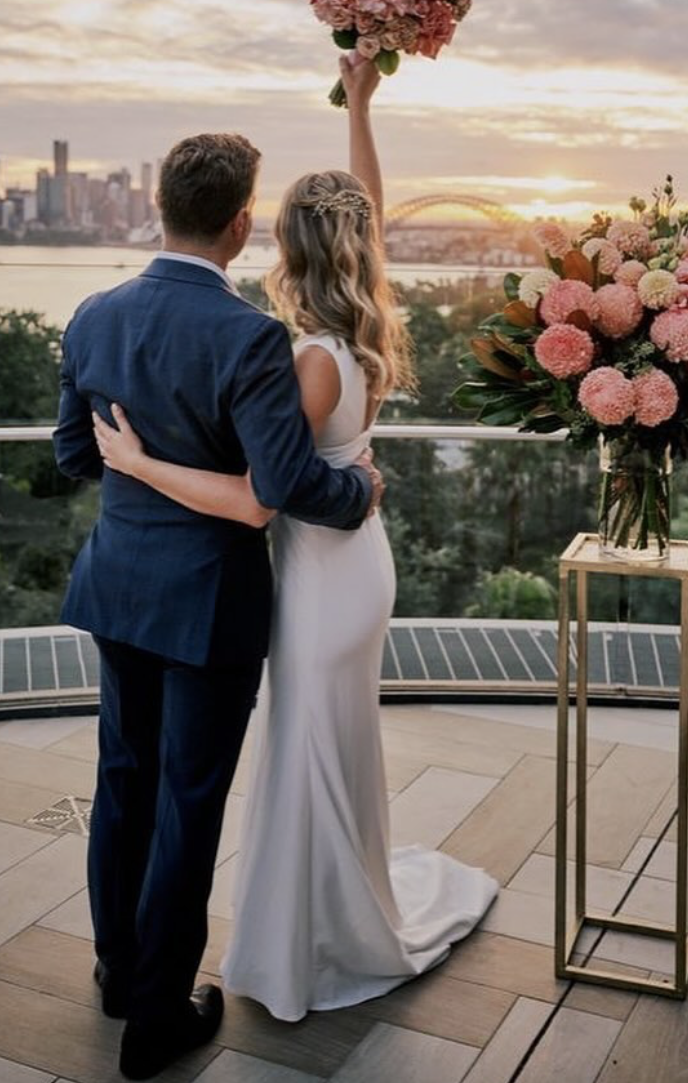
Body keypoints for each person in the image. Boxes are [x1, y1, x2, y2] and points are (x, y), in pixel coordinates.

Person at [93, 54, 499, 1024]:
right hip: (352, 564)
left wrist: (139, 461)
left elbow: (260, 495)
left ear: (273, 241)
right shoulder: (359, 327)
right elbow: (370, 209)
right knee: (320, 744)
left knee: (299, 750)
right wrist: (360, 105)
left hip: (321, 570)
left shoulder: (302, 355)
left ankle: (305, 945)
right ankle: (313, 914)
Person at [53, 118, 381, 1081]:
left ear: (161, 206)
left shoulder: (92, 313)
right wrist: (361, 488)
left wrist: (140, 465)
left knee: (125, 780)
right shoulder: (249, 338)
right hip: (207, 605)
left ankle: (119, 972)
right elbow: (286, 488)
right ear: (241, 226)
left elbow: (76, 454)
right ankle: (156, 1014)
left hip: (119, 585)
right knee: (188, 802)